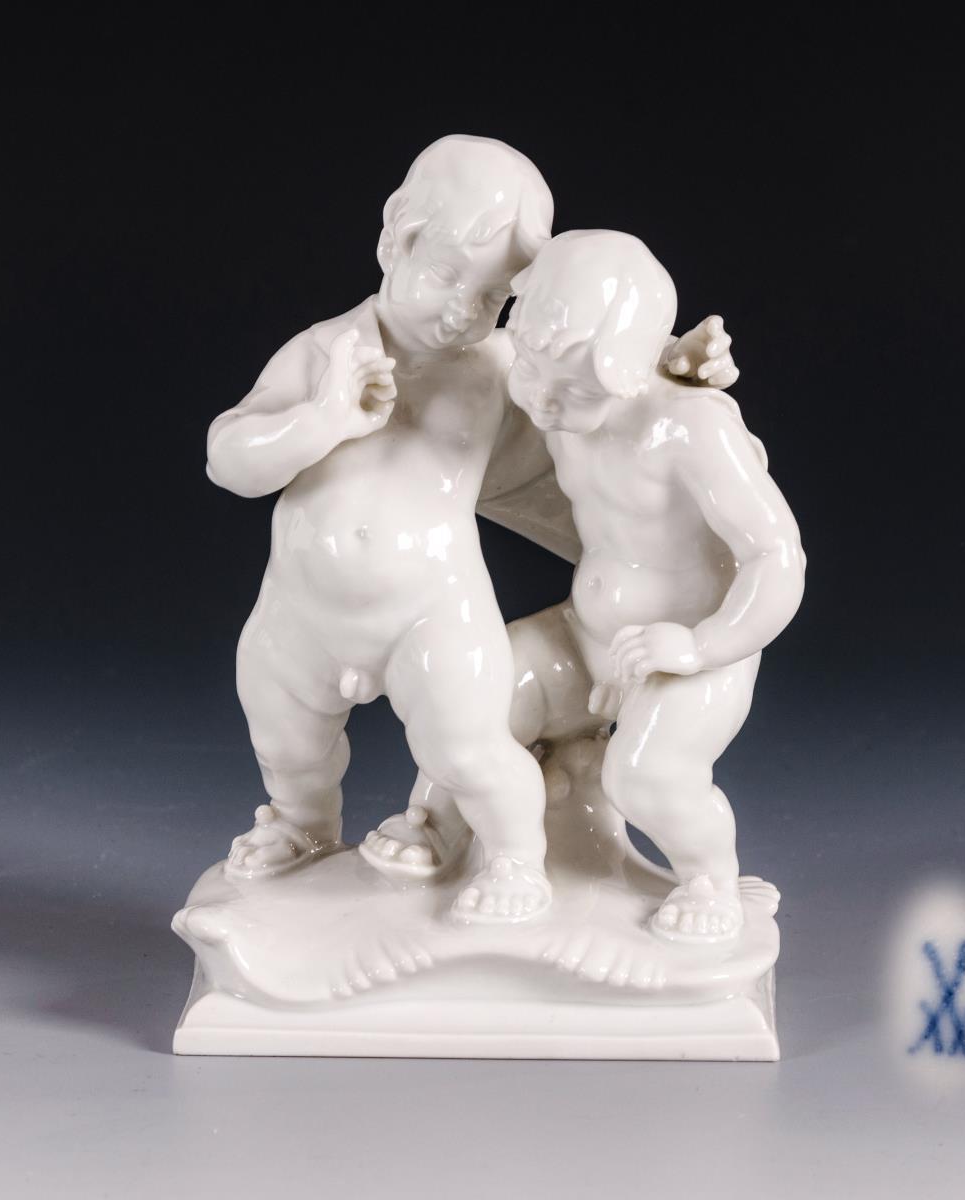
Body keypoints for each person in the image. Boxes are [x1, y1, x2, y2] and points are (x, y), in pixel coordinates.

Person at [364, 229, 805, 942]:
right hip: (586, 634)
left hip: (687, 653)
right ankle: (436, 823)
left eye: (571, 390)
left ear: (627, 375)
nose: (541, 401)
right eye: (531, 371)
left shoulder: (690, 427)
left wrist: (701, 645)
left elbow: (777, 555)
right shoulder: (560, 383)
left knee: (648, 775)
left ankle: (711, 881)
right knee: (474, 695)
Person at [206, 135, 557, 923]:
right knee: (285, 740)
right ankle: (302, 826)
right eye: (447, 275)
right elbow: (229, 458)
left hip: (431, 609)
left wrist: (678, 372)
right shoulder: (325, 352)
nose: (464, 310)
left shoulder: (501, 369)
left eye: (492, 297)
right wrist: (320, 419)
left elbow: (598, 385)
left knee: (470, 748)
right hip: (303, 609)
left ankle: (516, 859)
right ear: (396, 240)